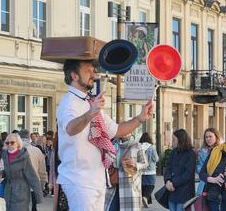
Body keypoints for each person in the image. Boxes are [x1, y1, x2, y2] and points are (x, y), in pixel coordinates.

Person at [56, 59, 153, 211]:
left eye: (93, 71)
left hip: (97, 179)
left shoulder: (89, 102)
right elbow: (70, 128)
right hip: (79, 180)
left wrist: (140, 118)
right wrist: (91, 113)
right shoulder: (69, 102)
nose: (94, 75)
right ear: (74, 75)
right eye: (89, 71)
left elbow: (117, 130)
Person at [0, 134, 43, 211]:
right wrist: (2, 173)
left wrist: (38, 196)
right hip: (8, 191)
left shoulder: (23, 157)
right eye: (7, 143)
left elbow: (32, 177)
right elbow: (9, 170)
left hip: (21, 192)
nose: (9, 145)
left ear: (18, 144)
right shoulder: (5, 155)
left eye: (12, 142)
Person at [104, 134, 148, 211]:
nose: (125, 133)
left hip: (129, 185)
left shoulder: (137, 145)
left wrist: (135, 164)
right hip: (114, 183)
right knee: (110, 208)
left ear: (131, 132)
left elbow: (145, 164)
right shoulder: (113, 144)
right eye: (123, 130)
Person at [164, 129, 196, 211]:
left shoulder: (190, 154)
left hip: (184, 192)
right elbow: (168, 167)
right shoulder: (173, 152)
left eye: (174, 139)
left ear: (181, 140)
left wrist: (173, 183)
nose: (172, 141)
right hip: (172, 191)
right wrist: (167, 181)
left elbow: (188, 174)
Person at [19, 129, 47, 211]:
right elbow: (42, 170)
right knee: (34, 207)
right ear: (29, 138)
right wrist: (42, 184)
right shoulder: (37, 151)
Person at [196, 128, 221, 196]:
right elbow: (198, 167)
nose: (208, 139)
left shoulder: (221, 151)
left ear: (216, 137)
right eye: (206, 137)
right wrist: (206, 173)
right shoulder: (202, 152)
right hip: (204, 183)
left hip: (217, 183)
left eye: (210, 136)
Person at [139, 132, 159, 207]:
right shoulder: (151, 148)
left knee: (143, 186)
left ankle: (146, 200)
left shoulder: (139, 147)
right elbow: (156, 159)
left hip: (141, 170)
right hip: (151, 170)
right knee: (151, 185)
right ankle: (145, 197)